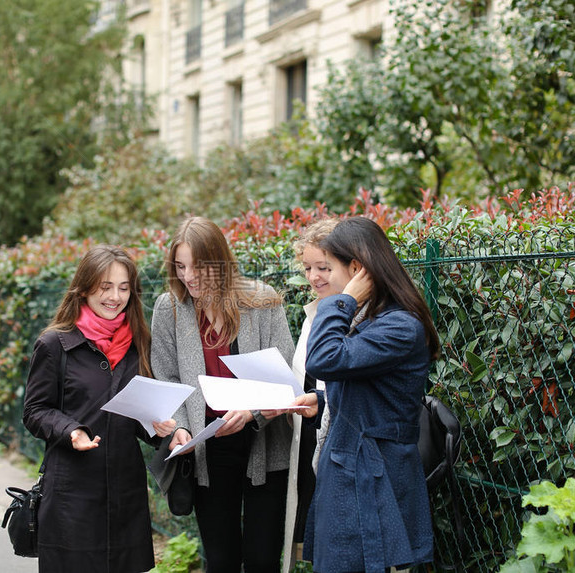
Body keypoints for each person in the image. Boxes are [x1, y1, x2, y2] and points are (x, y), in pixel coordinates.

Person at [292, 217, 440, 573]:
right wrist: (323, 402)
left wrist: (343, 301)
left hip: (376, 480)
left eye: (330, 267)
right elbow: (372, 392)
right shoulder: (371, 320)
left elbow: (324, 359)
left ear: (356, 269)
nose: (317, 278)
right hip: (351, 471)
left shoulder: (399, 326)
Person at [150, 216, 296, 573]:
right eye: (180, 266)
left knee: (263, 559)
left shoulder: (262, 302)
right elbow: (167, 377)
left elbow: (286, 375)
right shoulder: (169, 308)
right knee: (221, 559)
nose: (189, 277)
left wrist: (251, 412)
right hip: (207, 447)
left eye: (199, 267)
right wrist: (180, 428)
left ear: (220, 261)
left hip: (264, 441)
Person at [22, 245, 175, 573]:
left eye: (123, 288)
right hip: (71, 490)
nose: (115, 297)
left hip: (125, 491)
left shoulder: (138, 343)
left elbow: (134, 415)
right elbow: (34, 410)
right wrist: (71, 430)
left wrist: (156, 426)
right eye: (105, 287)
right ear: (85, 288)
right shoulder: (55, 344)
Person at [276, 218, 339, 573]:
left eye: (324, 267)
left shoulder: (362, 315)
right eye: (308, 268)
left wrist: (319, 400)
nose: (314, 277)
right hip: (308, 437)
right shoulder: (312, 314)